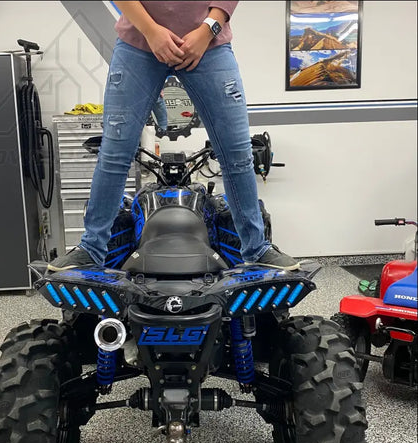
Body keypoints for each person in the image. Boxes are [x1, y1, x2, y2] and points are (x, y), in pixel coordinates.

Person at [48, 1, 300, 272]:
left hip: (207, 45)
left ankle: (256, 248)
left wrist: (207, 31)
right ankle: (91, 248)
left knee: (237, 155)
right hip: (139, 45)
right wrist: (151, 31)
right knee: (114, 156)